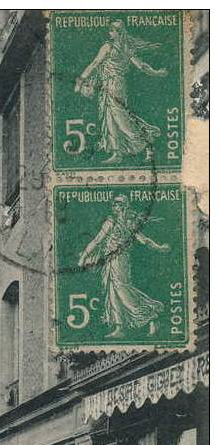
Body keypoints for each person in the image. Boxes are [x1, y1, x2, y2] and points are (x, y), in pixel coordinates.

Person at [74, 20, 168, 164]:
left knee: (120, 118)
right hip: (114, 85)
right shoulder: (127, 48)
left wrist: (81, 79)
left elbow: (94, 64)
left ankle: (146, 141)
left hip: (113, 85)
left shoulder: (108, 46)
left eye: (112, 30)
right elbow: (142, 66)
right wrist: (156, 72)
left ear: (119, 32)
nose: (109, 33)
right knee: (110, 117)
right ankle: (117, 153)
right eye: (110, 30)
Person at [78, 195, 169, 338]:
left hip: (120, 260)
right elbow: (97, 240)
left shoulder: (129, 223)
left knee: (122, 289)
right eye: (113, 204)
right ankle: (119, 328)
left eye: (118, 204)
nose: (114, 206)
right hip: (109, 260)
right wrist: (84, 256)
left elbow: (143, 239)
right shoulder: (110, 222)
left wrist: (159, 247)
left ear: (124, 206)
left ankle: (151, 316)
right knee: (112, 291)